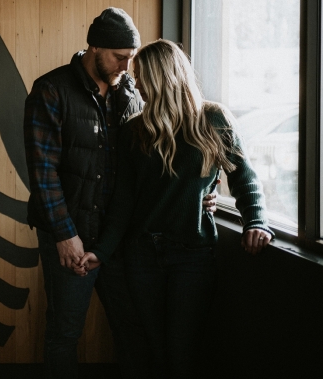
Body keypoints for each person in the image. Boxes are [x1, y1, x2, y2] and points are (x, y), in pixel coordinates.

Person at [23, 8, 217, 379]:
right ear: (94, 47)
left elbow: (159, 157)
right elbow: (42, 173)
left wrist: (205, 189)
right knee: (65, 331)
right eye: (120, 57)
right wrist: (64, 235)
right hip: (71, 232)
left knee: (131, 330)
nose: (127, 67)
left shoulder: (131, 93)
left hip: (120, 236)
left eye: (132, 58)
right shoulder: (52, 90)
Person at [78, 39, 274, 378]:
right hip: (141, 256)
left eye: (140, 75)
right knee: (155, 348)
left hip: (192, 256)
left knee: (181, 352)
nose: (135, 83)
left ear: (162, 77)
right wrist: (102, 251)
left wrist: (256, 220)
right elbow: (124, 202)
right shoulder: (134, 130)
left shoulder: (213, 119)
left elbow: (244, 177)